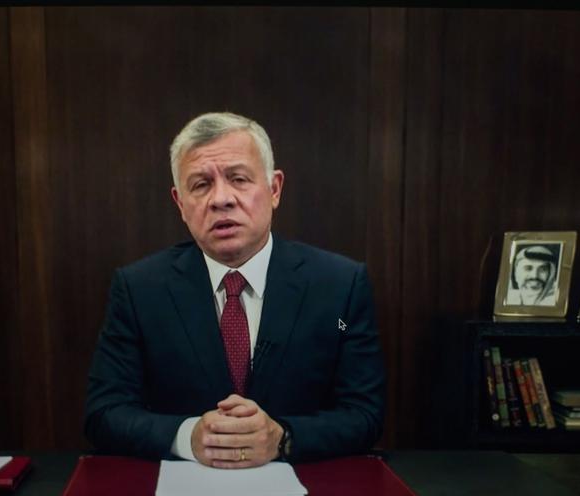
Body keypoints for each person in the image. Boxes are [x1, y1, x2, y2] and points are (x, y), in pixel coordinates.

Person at [84, 112, 386, 469]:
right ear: (180, 203)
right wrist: (188, 436)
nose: (221, 199)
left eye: (238, 179)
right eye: (200, 185)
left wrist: (283, 438)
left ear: (274, 189)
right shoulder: (139, 289)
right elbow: (104, 414)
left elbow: (364, 414)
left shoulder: (339, 286)